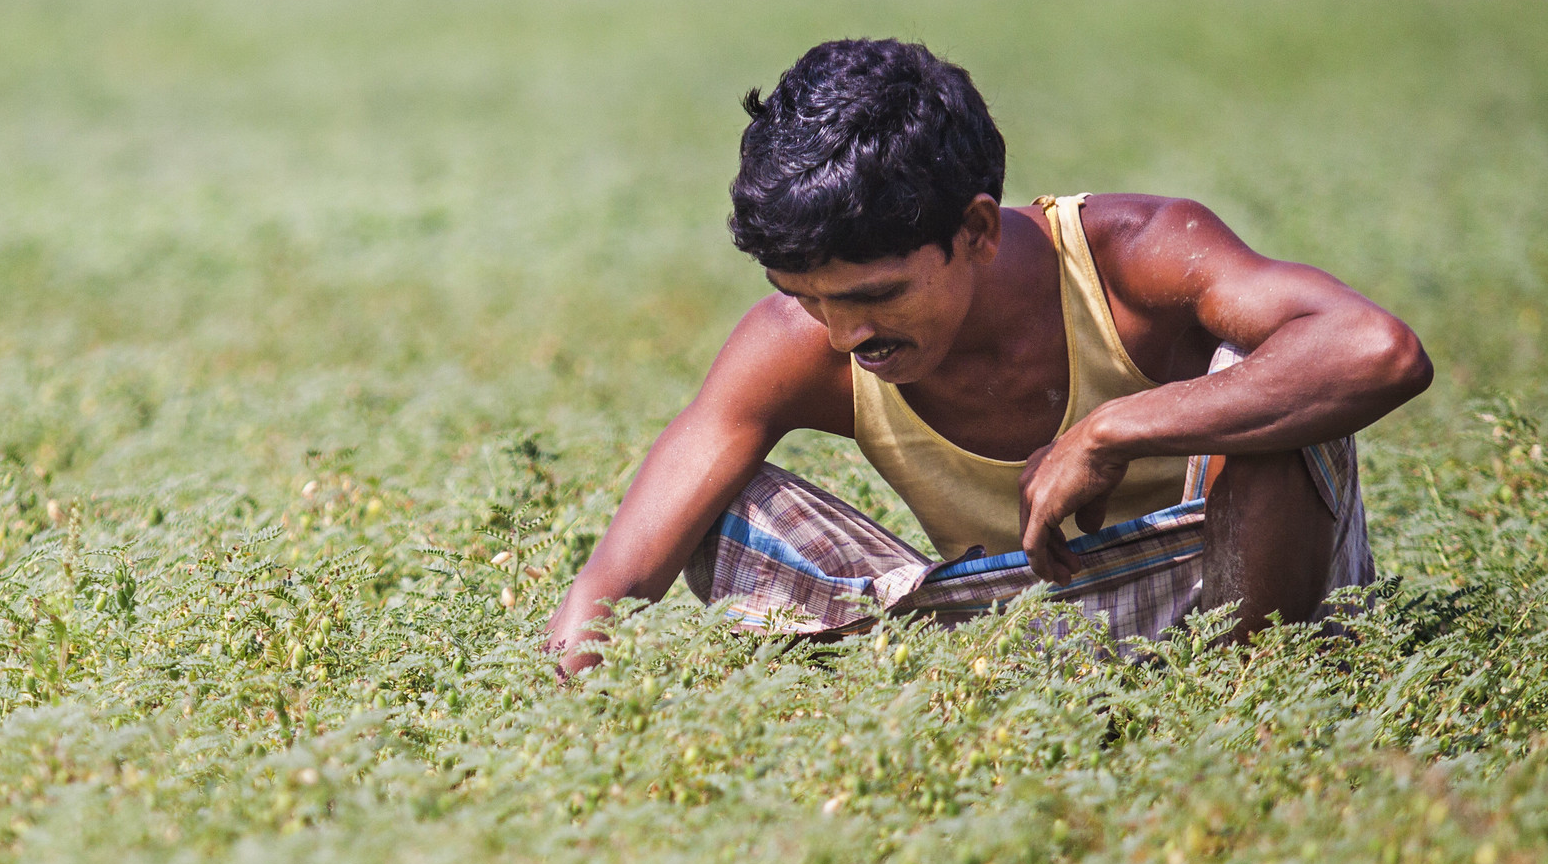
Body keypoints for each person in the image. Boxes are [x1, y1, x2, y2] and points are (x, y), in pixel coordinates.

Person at [546, 38, 1432, 676]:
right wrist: (576, 702)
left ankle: (1249, 704)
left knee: (1277, 374)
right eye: (807, 295)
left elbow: (1376, 350)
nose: (844, 334)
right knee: (715, 501)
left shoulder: (1134, 255)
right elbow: (612, 583)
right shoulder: (793, 341)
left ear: (973, 229)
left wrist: (1109, 431)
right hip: (995, 630)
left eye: (871, 295)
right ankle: (939, 681)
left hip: (1227, 595)